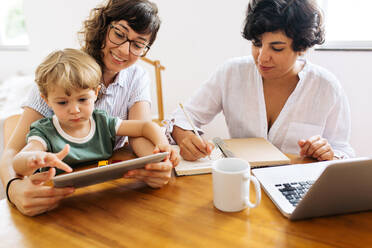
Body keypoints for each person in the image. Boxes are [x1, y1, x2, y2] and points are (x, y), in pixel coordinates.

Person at [0, 0, 178, 216]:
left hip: (105, 183)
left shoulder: (136, 76)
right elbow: (13, 151)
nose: (124, 50)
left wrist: (156, 165)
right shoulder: (62, 73)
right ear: (103, 26)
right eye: (119, 34)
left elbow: (138, 135)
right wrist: (13, 190)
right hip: (59, 188)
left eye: (138, 44)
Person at [168, 0, 354, 161]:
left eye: (277, 48)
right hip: (243, 183)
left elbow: (342, 150)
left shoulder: (326, 88)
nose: (262, 57)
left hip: (297, 190)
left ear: (302, 47)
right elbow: (183, 116)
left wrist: (329, 153)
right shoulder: (232, 73)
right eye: (257, 43)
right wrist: (185, 136)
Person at [13, 48, 176, 179]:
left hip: (103, 191)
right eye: (62, 102)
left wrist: (163, 144)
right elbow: (18, 161)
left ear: (96, 93)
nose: (75, 110)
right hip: (61, 199)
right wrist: (34, 158)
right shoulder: (44, 132)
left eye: (83, 99)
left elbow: (145, 127)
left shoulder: (102, 122)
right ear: (46, 100)